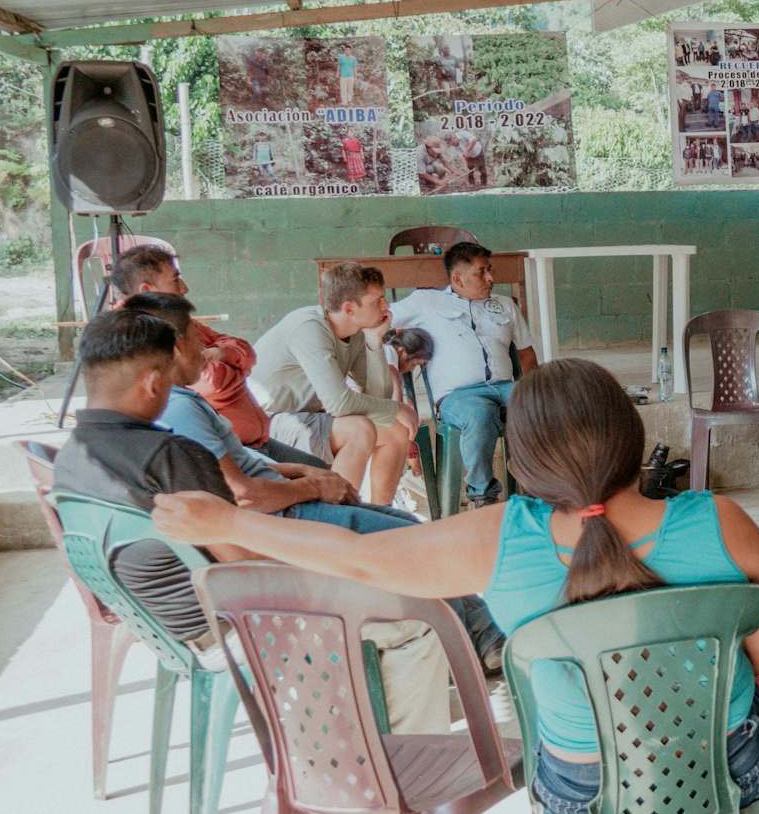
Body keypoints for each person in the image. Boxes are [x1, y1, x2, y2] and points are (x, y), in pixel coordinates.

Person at [154, 358, 759, 814]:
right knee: (711, 722)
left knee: (587, 738)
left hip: (583, 781)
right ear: (631, 434)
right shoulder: (721, 520)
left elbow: (356, 556)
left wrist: (228, 523)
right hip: (722, 763)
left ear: (526, 455)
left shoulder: (499, 536)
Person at [53, 310, 463, 731]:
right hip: (236, 625)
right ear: (154, 383)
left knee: (375, 549)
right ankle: (402, 769)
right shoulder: (167, 456)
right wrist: (343, 561)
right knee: (415, 619)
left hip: (170, 627)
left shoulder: (70, 457)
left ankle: (373, 721)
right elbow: (248, 563)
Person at [132, 292, 508, 679]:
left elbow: (242, 467)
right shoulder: (181, 407)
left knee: (405, 524)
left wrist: (301, 473)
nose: (207, 346)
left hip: (282, 498)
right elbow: (243, 495)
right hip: (284, 518)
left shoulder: (171, 405)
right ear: (178, 347)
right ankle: (468, 644)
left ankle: (479, 632)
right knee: (411, 543)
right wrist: (313, 489)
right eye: (199, 337)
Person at [107, 244, 324, 470]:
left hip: (254, 443)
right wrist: (237, 370)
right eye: (175, 280)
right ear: (146, 290)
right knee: (318, 483)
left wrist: (222, 353)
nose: (185, 288)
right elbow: (213, 384)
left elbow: (246, 350)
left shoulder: (183, 322)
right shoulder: (143, 332)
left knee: (321, 472)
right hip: (225, 452)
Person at [252, 261, 418, 505]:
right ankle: (337, 520)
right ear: (349, 308)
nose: (386, 306)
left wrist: (374, 342)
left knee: (395, 431)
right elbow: (339, 403)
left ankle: (380, 516)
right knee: (359, 429)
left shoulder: (357, 332)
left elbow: (377, 397)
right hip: (267, 423)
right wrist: (398, 409)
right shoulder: (309, 328)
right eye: (377, 301)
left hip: (303, 417)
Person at [391, 242, 538, 509]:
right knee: (479, 414)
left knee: (547, 406)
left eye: (489, 270)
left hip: (505, 387)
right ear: (457, 278)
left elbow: (527, 353)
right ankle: (483, 497)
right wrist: (392, 365)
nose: (491, 278)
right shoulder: (427, 302)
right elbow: (380, 323)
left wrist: (534, 391)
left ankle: (540, 486)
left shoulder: (504, 305)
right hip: (459, 397)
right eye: (481, 272)